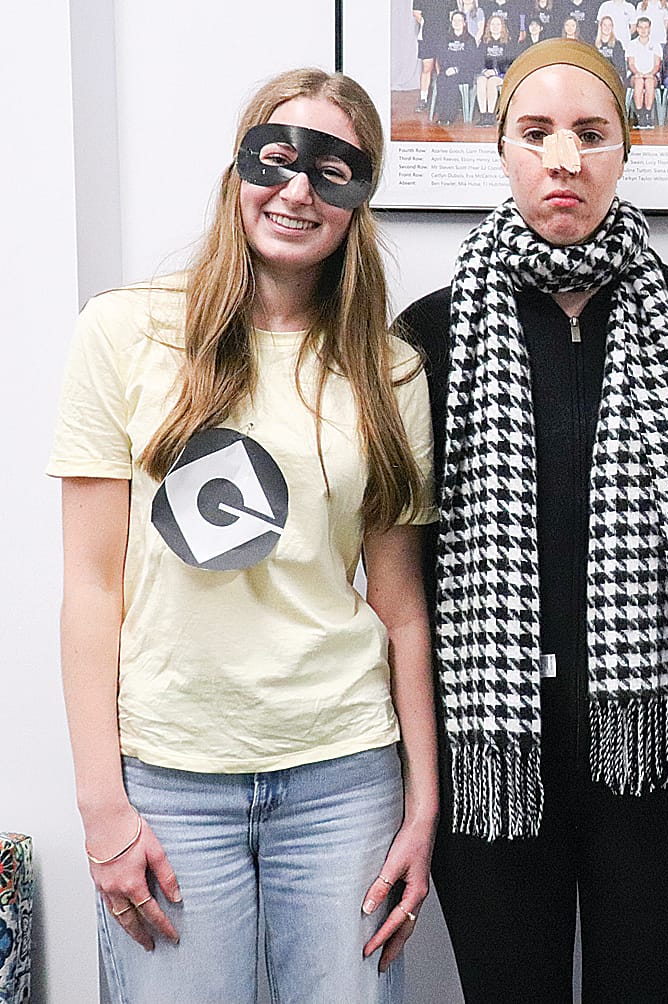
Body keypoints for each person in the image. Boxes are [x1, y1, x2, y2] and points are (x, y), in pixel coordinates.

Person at [49, 68, 437, 1003]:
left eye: (333, 170)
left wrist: (424, 805)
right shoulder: (125, 332)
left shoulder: (390, 371)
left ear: (359, 201)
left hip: (342, 774)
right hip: (171, 777)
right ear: (238, 170)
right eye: (277, 158)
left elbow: (399, 606)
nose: (299, 189)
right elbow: (92, 585)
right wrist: (101, 806)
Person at [396, 38, 668, 1004]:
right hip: (491, 742)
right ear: (502, 149)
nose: (565, 159)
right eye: (537, 132)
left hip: (655, 739)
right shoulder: (430, 332)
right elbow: (401, 557)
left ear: (625, 150)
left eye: (591, 134)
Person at [434, 10, 482, 125]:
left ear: (464, 23)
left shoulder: (470, 40)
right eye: (454, 20)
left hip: (464, 73)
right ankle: (442, 115)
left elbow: (472, 61)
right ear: (451, 22)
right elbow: (441, 56)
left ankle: (450, 116)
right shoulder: (445, 38)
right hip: (447, 70)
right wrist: (447, 68)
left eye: (459, 20)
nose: (456, 23)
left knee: (452, 80)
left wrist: (457, 69)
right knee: (442, 79)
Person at [477, 13, 516, 125]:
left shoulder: (508, 43)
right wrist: (485, 71)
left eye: (498, 24)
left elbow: (509, 62)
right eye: (492, 24)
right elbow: (478, 60)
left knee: (492, 82)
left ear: (502, 26)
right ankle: (483, 115)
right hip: (486, 73)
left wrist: (496, 71)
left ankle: (490, 115)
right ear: (489, 26)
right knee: (481, 81)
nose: (495, 27)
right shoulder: (484, 43)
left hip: (502, 74)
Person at [625, 15, 663, 129]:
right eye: (641, 27)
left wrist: (650, 74)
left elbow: (657, 64)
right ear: (637, 29)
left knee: (649, 82)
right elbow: (631, 64)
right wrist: (638, 73)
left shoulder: (656, 45)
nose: (643, 30)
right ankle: (639, 115)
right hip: (635, 75)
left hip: (652, 75)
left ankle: (647, 115)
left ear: (650, 28)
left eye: (646, 27)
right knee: (640, 82)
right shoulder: (631, 44)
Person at [592, 14, 629, 83]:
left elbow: (620, 66)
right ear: (600, 26)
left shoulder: (617, 44)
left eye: (609, 25)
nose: (607, 28)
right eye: (604, 25)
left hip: (613, 77)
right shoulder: (593, 44)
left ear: (612, 27)